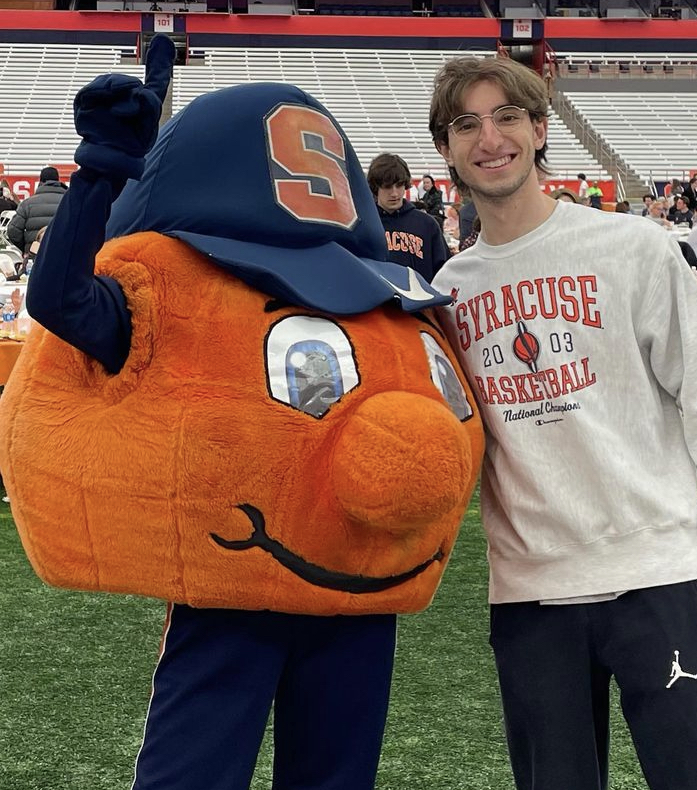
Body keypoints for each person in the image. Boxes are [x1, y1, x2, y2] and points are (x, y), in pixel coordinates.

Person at [9, 37, 484, 790]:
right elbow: (61, 300)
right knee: (191, 773)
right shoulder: (179, 289)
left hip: (356, 590)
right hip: (236, 592)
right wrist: (100, 171)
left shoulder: (382, 302)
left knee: (335, 776)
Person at [428, 54, 697, 790]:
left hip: (659, 575)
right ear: (446, 149)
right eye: (466, 124)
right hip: (529, 594)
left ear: (540, 129)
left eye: (506, 117)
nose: (489, 138)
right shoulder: (449, 292)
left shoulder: (633, 247)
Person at [367, 153, 449, 283]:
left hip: (421, 301)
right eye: (387, 186)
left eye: (399, 185)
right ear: (375, 187)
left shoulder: (427, 224)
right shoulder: (364, 225)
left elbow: (444, 273)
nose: (394, 193)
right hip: (377, 301)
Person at [7, 166, 67, 254]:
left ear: (40, 181)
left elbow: (13, 231)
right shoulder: (70, 203)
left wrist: (27, 246)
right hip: (62, 254)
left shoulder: (27, 204)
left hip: (34, 255)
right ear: (58, 180)